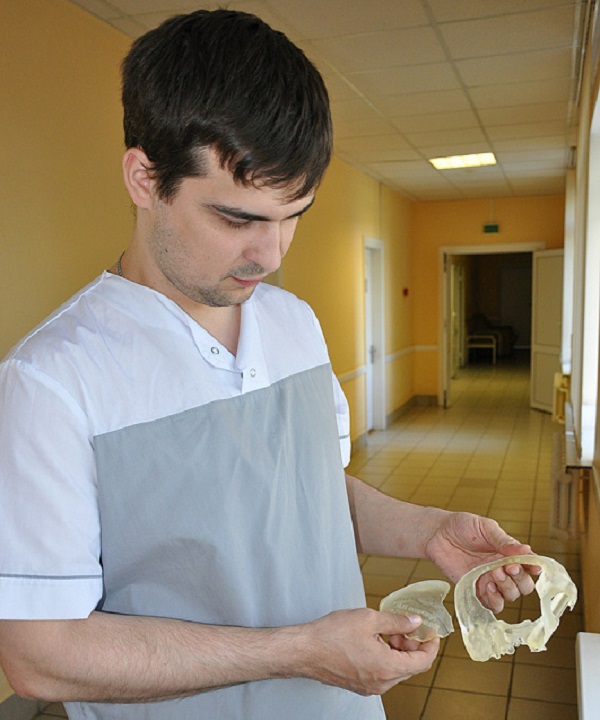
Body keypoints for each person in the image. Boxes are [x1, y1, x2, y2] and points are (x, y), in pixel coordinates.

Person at [0, 9, 537, 720]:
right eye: (238, 218)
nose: (271, 253)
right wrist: (300, 652)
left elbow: (308, 495)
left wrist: (427, 531)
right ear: (144, 178)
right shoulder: (52, 382)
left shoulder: (294, 324)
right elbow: (39, 655)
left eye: (294, 215)